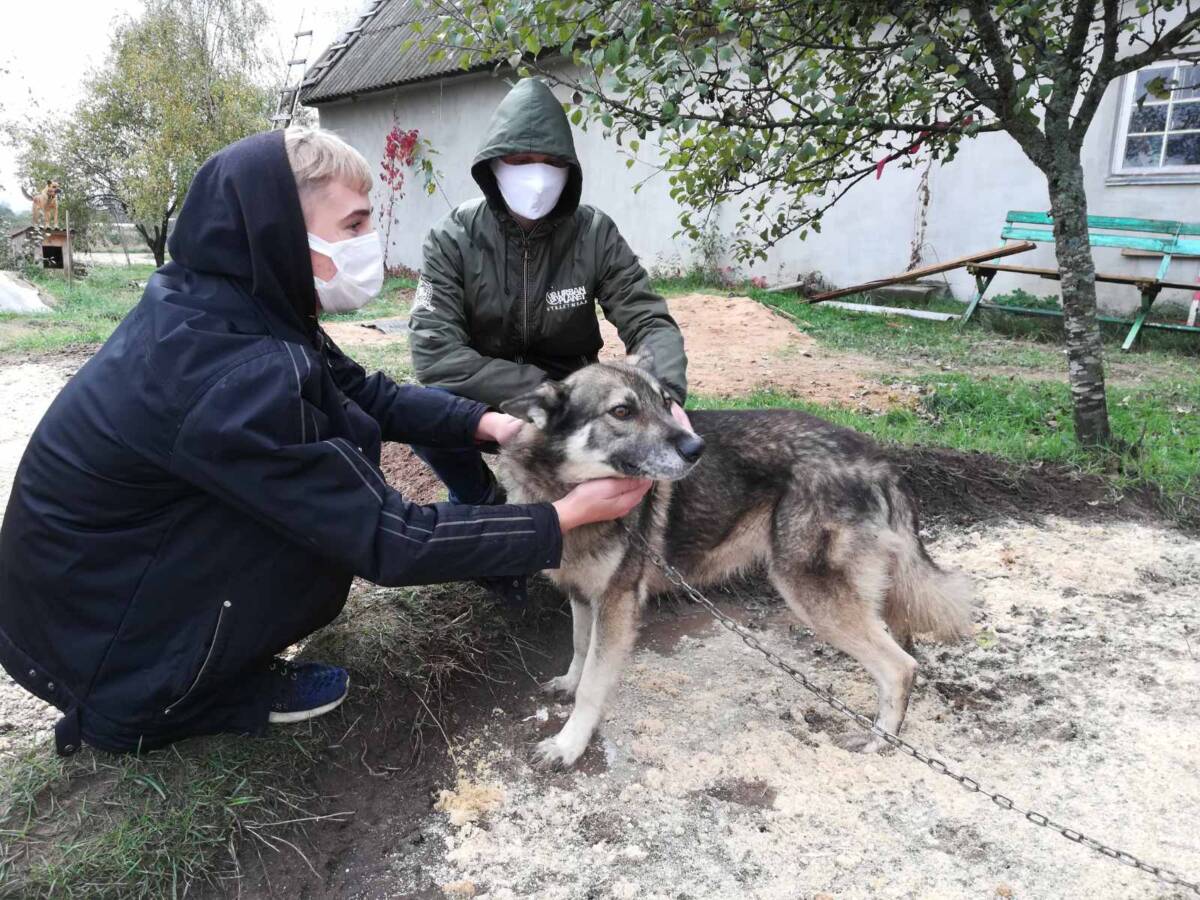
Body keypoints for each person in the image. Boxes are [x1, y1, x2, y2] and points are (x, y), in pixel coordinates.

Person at [0, 128, 650, 756]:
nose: (371, 241)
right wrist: (560, 518)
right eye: (354, 224)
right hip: (98, 640)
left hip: (95, 591)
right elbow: (388, 540)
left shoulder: (237, 304)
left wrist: (490, 424)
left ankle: (183, 665)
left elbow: (366, 394)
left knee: (317, 510)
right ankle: (159, 700)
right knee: (322, 535)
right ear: (282, 233)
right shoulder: (231, 374)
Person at [408, 77, 690, 513]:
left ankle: (580, 506)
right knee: (425, 411)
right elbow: (435, 352)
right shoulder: (453, 238)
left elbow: (648, 319)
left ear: (570, 169)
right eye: (520, 160)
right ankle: (479, 499)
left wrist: (665, 393)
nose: (537, 176)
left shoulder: (594, 233)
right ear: (493, 165)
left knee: (621, 444)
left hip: (575, 408)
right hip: (488, 400)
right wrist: (542, 390)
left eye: (551, 162)